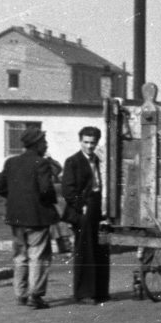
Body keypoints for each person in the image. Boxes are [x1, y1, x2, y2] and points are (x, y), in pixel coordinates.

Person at [0, 128, 59, 309]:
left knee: (20, 256)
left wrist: (17, 198)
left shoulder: (11, 162)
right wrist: (47, 201)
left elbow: (0, 188)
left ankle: (20, 294)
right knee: (38, 255)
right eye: (44, 141)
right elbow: (46, 189)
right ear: (37, 144)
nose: (46, 145)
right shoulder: (41, 163)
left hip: (16, 217)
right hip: (37, 216)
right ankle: (35, 295)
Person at [60, 125, 110, 303]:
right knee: (85, 251)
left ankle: (100, 291)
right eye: (86, 142)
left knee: (100, 249)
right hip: (83, 209)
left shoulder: (96, 159)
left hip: (96, 207)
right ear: (80, 141)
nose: (89, 146)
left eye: (93, 143)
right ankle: (84, 294)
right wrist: (81, 206)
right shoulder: (72, 161)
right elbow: (67, 189)